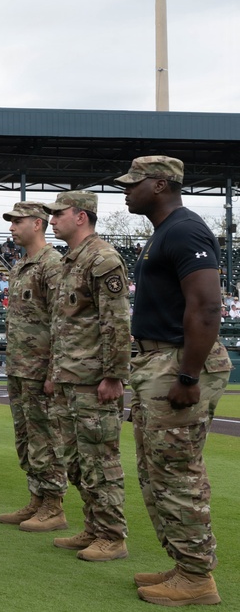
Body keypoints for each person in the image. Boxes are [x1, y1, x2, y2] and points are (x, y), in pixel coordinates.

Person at [117, 156, 232, 605]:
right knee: (156, 471)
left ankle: (197, 578)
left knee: (176, 471)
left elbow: (206, 307)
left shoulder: (184, 229)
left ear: (161, 185)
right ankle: (185, 564)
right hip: (157, 359)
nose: (126, 191)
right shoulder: (164, 232)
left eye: (134, 183)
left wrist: (188, 375)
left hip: (176, 360)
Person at [44, 191, 131, 562]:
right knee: (76, 461)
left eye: (58, 214)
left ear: (81, 216)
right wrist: (55, 372)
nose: (51, 220)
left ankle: (112, 536)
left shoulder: (102, 258)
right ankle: (94, 527)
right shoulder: (71, 260)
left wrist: (114, 375)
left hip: (94, 380)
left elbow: (116, 321)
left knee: (100, 460)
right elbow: (63, 325)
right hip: (70, 376)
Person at [0, 202, 68, 531]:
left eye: (17, 221)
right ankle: (37, 499)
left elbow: (60, 321)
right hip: (19, 366)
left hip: (41, 370)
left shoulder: (52, 264)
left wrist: (54, 371)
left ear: (38, 224)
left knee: (46, 437)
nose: (11, 227)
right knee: (26, 438)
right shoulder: (21, 265)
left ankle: (54, 505)